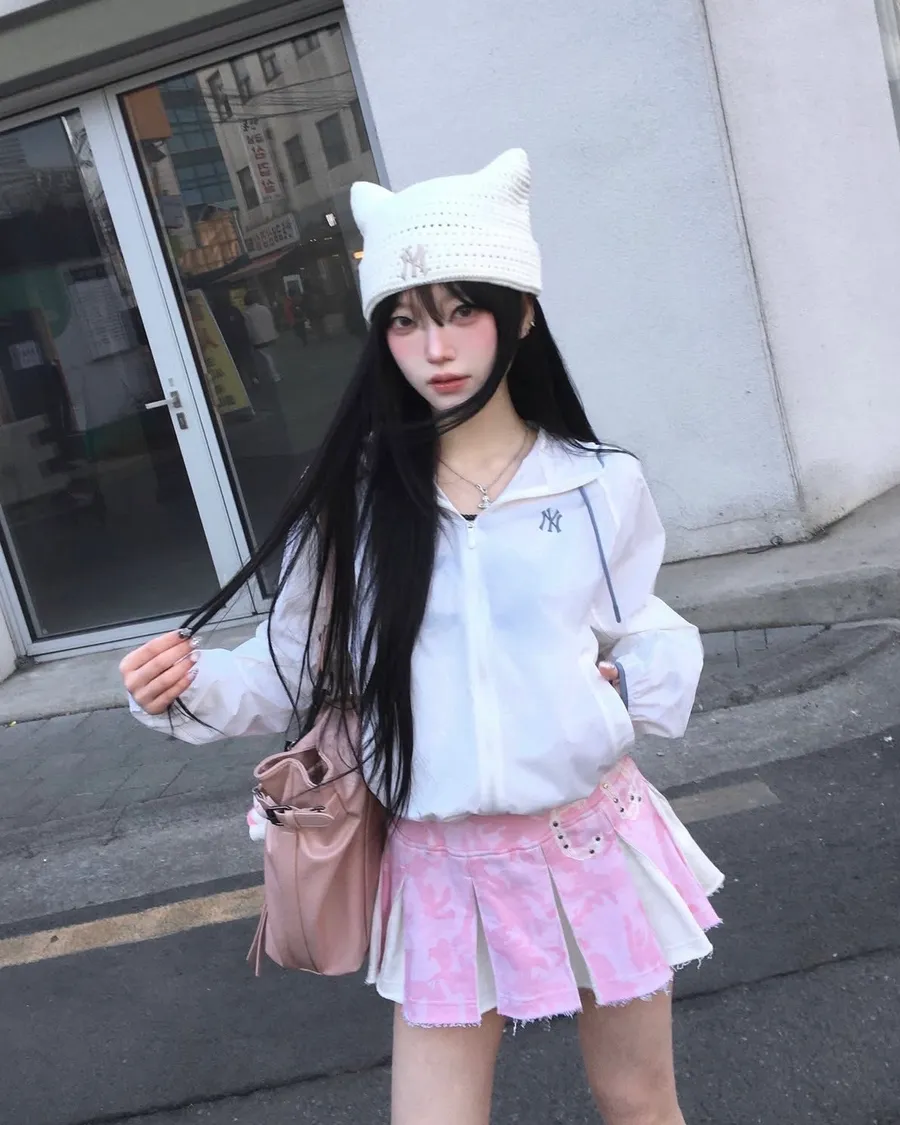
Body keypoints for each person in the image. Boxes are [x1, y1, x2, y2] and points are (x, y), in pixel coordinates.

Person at [119, 149, 722, 1125]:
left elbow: (641, 618)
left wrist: (622, 694)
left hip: (591, 840)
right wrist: (183, 687)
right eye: (404, 319)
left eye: (461, 310)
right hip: (443, 865)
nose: (433, 345)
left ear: (521, 316)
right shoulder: (353, 503)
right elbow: (289, 669)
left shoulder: (598, 484)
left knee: (639, 1103)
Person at [241, 290, 282, 384]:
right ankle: (275, 373)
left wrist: (250, 339)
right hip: (271, 335)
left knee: (265, 358)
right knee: (271, 356)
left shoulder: (246, 313)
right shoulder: (264, 308)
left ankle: (273, 375)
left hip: (258, 339)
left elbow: (248, 328)